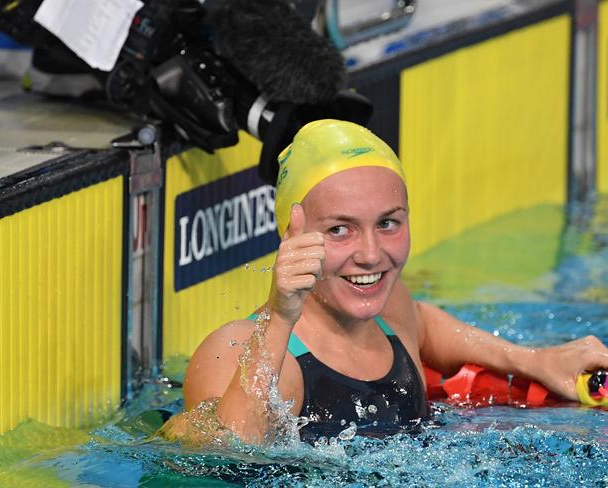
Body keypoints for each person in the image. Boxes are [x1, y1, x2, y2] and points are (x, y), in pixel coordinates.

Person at [159, 119, 608, 444]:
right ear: (292, 235)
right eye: (340, 229)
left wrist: (534, 360)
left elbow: (426, 324)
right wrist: (281, 315)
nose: (372, 254)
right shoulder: (234, 351)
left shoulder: (390, 312)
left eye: (389, 223)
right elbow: (227, 456)